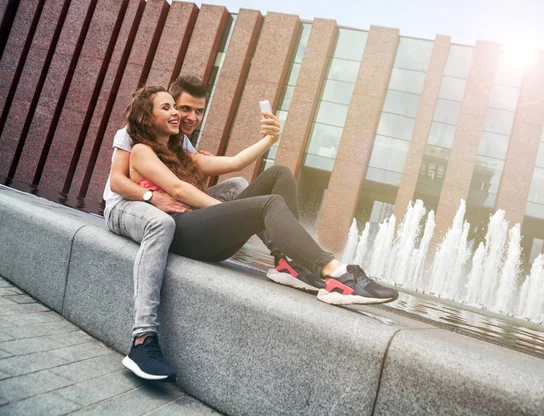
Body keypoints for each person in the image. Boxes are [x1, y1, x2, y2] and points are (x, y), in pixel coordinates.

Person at [122, 85, 400, 379]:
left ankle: (288, 264)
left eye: (174, 107)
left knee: (279, 173)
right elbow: (178, 189)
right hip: (182, 234)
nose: (177, 113)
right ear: (146, 117)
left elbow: (235, 163)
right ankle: (336, 274)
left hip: (206, 235)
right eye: (167, 108)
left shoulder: (181, 153)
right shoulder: (141, 151)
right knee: (266, 205)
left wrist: (270, 138)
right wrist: (223, 210)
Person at [104, 76, 247, 381]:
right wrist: (151, 196)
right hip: (125, 206)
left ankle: (281, 258)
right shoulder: (131, 135)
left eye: (192, 111)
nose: (185, 117)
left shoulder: (181, 142)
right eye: (178, 108)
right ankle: (142, 341)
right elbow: (118, 181)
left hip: (168, 209)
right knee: (160, 221)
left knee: (237, 187)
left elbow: (187, 187)